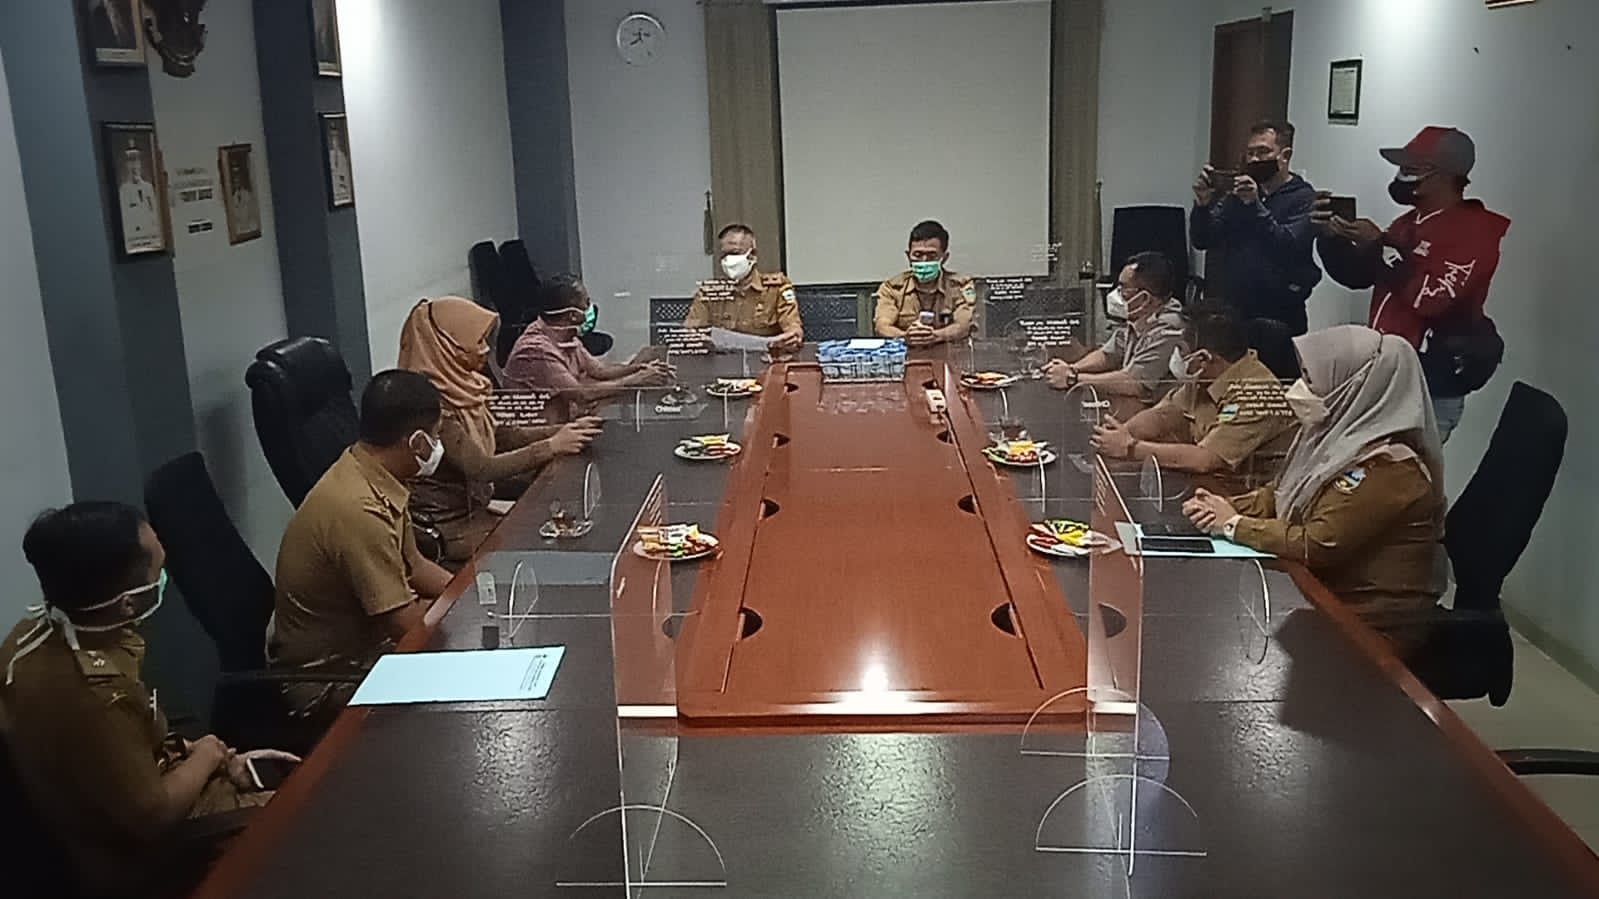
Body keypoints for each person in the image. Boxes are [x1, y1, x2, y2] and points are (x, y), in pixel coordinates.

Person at [1, 502, 293, 898]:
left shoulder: (28, 638)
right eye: (158, 572)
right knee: (320, 814)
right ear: (128, 602)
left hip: (146, 788)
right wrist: (208, 755)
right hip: (152, 854)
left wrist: (197, 754)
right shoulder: (98, 695)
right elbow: (154, 815)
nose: (162, 578)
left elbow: (117, 752)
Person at [1183, 326, 1445, 655]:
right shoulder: (1333, 437)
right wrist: (1225, 506)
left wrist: (1233, 524)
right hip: (1318, 595)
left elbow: (1317, 543)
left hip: (1369, 623)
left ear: (1352, 386)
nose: (1301, 387)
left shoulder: (1392, 467)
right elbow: (1280, 492)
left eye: (1311, 379)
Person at [269, 371, 458, 723]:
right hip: (329, 681)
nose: (437, 445)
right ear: (416, 442)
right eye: (435, 435)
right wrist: (464, 618)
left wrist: (470, 595)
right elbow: (403, 623)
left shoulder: (370, 471)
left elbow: (415, 566)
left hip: (368, 651)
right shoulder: (359, 509)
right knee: (459, 698)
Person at [1314, 127, 1510, 443]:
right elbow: (1359, 276)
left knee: (1402, 471)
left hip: (1428, 388)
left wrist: (1381, 245)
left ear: (1444, 176)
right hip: (1387, 375)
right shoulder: (1407, 224)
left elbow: (1432, 299)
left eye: (1411, 168)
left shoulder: (1475, 231)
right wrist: (1330, 239)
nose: (1400, 176)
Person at [398, 298, 601, 563]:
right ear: (447, 346)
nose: (485, 350)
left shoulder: (465, 385)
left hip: (476, 504)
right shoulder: (431, 403)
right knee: (545, 545)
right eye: (478, 342)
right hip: (450, 525)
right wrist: (552, 446)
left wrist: (562, 430)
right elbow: (482, 468)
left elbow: (501, 435)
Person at [1091, 300, 1295, 493]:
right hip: (1214, 485)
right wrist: (1118, 435)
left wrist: (1130, 447)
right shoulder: (1206, 375)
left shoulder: (1256, 393)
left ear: (1204, 358)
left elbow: (1205, 459)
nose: (1177, 356)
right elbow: (1163, 415)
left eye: (1181, 350)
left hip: (1253, 496)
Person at [1191, 120, 1322, 335]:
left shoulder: (1304, 198)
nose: (1254, 159)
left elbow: (1287, 244)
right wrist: (1202, 205)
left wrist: (1255, 205)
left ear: (1285, 155)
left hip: (1280, 314)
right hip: (1235, 311)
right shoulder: (1237, 195)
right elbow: (1203, 239)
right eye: (1250, 153)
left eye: (1263, 152)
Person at [502, 274, 674, 416]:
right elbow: (581, 394)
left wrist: (640, 368)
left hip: (566, 419)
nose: (590, 308)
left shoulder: (566, 335)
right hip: (543, 434)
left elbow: (600, 371)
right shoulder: (537, 350)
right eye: (586, 303)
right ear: (572, 315)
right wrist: (636, 380)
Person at [1043, 252, 1186, 420]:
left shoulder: (1169, 329)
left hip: (1160, 417)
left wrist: (1072, 379)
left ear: (1145, 298)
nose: (1116, 294)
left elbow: (1134, 383)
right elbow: (1108, 354)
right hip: (1137, 408)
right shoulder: (1141, 316)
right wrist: (1072, 368)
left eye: (1123, 288)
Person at [684, 224, 803, 353]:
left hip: (766, 359)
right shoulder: (709, 293)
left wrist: (787, 340)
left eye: (734, 253)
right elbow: (691, 334)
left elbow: (793, 333)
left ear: (753, 255)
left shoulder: (776, 289)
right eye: (724, 255)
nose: (728, 260)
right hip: (723, 361)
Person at [874, 220, 977, 346]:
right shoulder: (892, 288)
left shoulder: (960, 286)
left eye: (932, 255)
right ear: (908, 256)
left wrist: (936, 335)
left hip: (949, 353)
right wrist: (905, 336)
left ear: (944, 258)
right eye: (917, 255)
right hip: (907, 352)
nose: (924, 261)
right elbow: (882, 326)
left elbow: (964, 325)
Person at [118, 143, 161, 251]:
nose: (134, 166)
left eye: (136, 162)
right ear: (127, 166)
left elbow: (154, 212)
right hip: (134, 238)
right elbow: (125, 217)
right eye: (131, 162)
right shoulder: (124, 190)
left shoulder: (148, 187)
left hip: (151, 236)